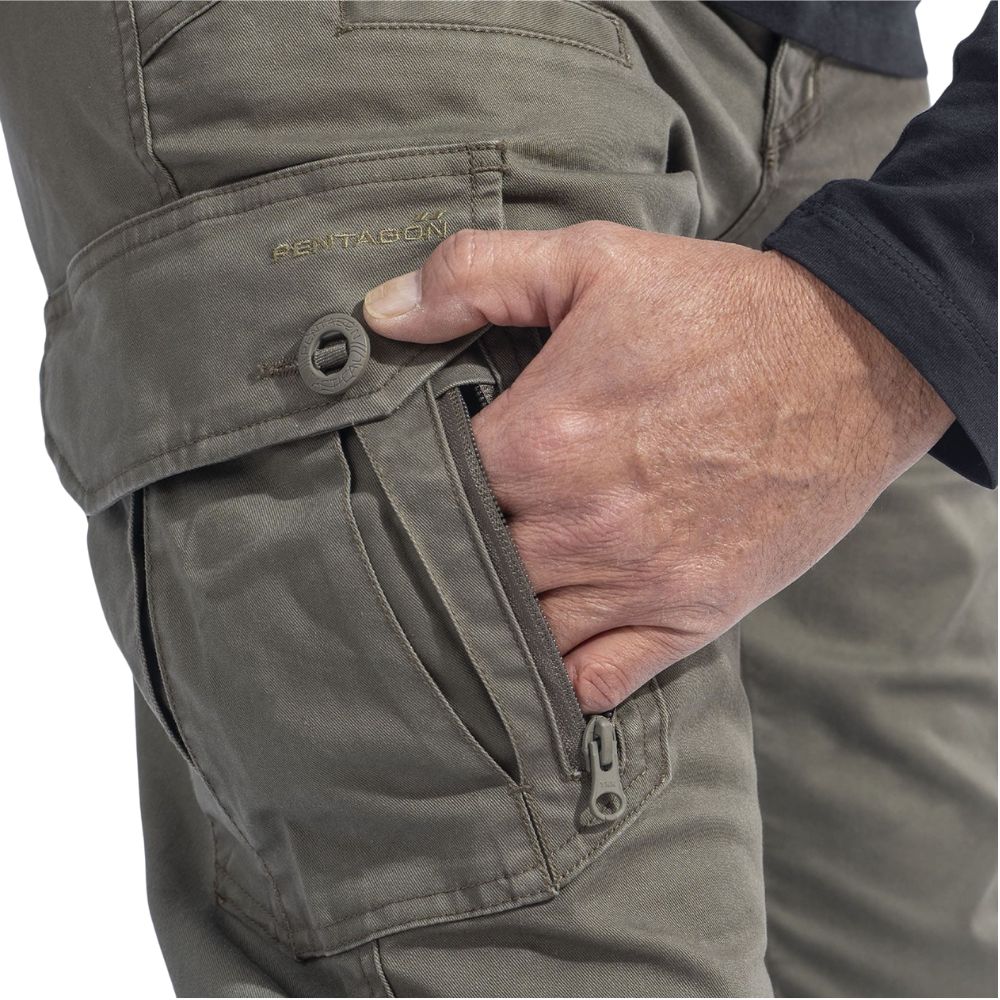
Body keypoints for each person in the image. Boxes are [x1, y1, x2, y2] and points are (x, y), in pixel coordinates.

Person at [0, 2, 995, 996]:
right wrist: (927, 274)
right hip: (367, 60)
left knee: (918, 957)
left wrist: (932, 266)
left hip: (857, 88)